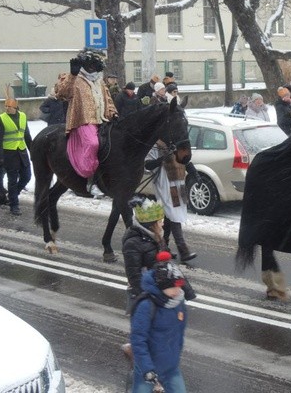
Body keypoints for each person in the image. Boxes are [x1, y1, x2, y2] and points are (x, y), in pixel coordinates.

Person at [55, 49, 117, 196]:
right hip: (83, 121)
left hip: (102, 120)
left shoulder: (100, 81)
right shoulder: (74, 78)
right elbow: (62, 94)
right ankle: (91, 180)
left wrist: (114, 113)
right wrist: (72, 75)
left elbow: (108, 99)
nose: (93, 67)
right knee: (93, 143)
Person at [122, 198, 196, 312]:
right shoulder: (132, 243)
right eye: (160, 221)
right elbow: (134, 277)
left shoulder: (158, 238)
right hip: (143, 297)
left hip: (160, 292)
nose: (162, 223)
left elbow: (170, 266)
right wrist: (153, 296)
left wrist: (187, 290)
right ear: (151, 225)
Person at [130, 252, 188, 393]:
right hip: (148, 369)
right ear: (161, 287)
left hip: (171, 368)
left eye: (179, 286)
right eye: (173, 287)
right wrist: (147, 368)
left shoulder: (178, 304)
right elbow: (138, 340)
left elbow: (178, 334)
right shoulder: (147, 306)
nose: (178, 291)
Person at [145, 141, 199, 262]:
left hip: (179, 182)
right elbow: (148, 165)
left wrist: (194, 173)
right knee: (173, 214)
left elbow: (186, 160)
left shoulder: (176, 142)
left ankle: (163, 247)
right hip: (165, 183)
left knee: (170, 215)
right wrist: (162, 159)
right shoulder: (156, 145)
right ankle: (183, 250)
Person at [0, 97, 32, 216]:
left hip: (21, 151)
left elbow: (26, 135)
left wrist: (32, 150)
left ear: (15, 107)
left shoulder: (22, 116)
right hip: (9, 152)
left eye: (9, 106)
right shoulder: (1, 118)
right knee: (12, 180)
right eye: (6, 106)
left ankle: (12, 196)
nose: (7, 108)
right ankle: (14, 205)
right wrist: (0, 156)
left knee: (27, 176)